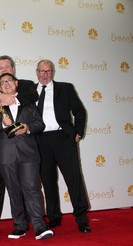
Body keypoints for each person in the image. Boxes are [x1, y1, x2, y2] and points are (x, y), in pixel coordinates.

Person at [0, 72, 53, 240]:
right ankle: (19, 226)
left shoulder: (28, 103)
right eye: (3, 82)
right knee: (14, 191)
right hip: (5, 155)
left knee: (32, 189)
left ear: (16, 84)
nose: (6, 84)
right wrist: (2, 123)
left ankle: (39, 227)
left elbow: (39, 124)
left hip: (28, 153)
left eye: (9, 81)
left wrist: (27, 127)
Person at [0, 55, 39, 233]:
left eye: (7, 67)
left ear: (13, 69)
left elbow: (33, 95)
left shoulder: (26, 84)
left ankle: (32, 221)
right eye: (0, 68)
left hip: (24, 145)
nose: (4, 69)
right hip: (0, 146)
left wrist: (13, 98)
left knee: (29, 185)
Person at [35, 59, 91, 233]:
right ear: (36, 72)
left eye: (48, 71)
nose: (45, 75)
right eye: (42, 71)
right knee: (48, 181)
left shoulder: (65, 88)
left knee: (73, 179)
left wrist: (78, 132)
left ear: (53, 73)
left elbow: (80, 111)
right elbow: (8, 83)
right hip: (41, 140)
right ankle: (54, 217)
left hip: (63, 138)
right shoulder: (29, 91)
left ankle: (81, 218)